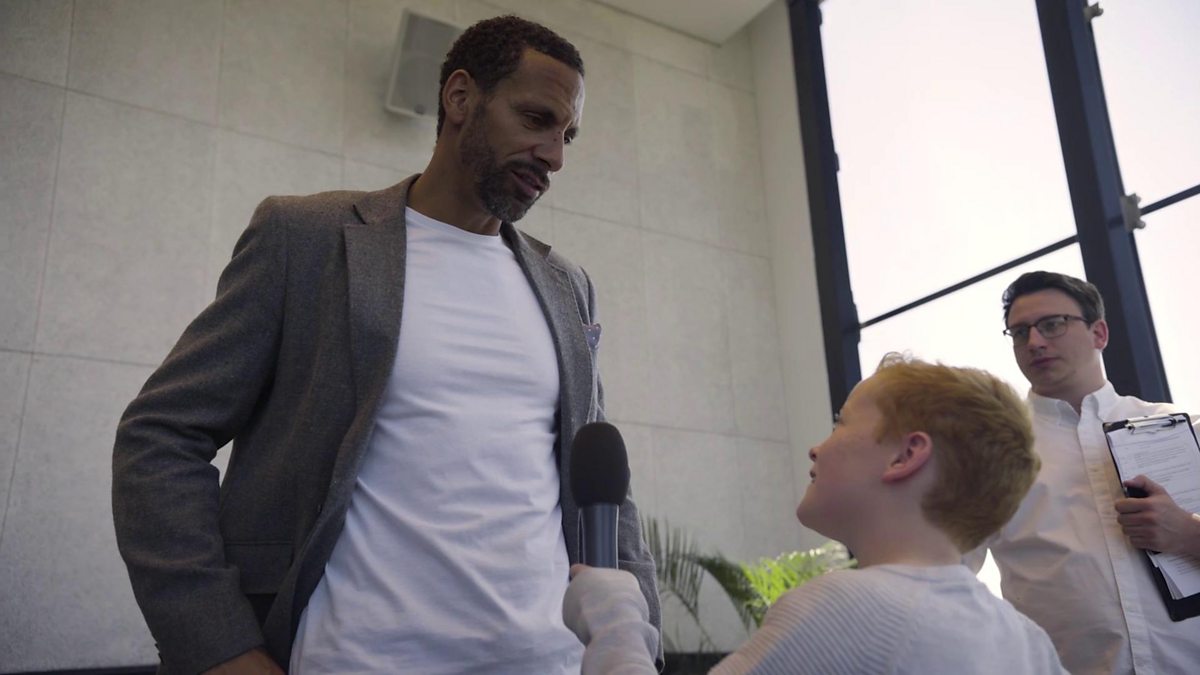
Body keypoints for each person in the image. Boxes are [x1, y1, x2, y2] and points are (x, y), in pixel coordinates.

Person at [111, 15, 659, 675]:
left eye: (567, 135)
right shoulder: (305, 238)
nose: (555, 156)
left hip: (549, 660)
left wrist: (636, 638)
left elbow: (605, 489)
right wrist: (218, 645)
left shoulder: (569, 286)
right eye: (536, 119)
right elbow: (161, 436)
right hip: (357, 659)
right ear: (461, 97)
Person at [564, 355, 1066, 674]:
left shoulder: (852, 608)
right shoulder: (1028, 641)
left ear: (905, 455)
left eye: (840, 423)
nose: (816, 448)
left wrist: (616, 621)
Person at [964, 270, 1200, 674]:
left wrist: (1188, 534)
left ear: (1099, 333)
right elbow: (945, 574)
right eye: (1019, 332)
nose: (1034, 342)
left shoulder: (1186, 430)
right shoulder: (990, 456)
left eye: (1052, 324)